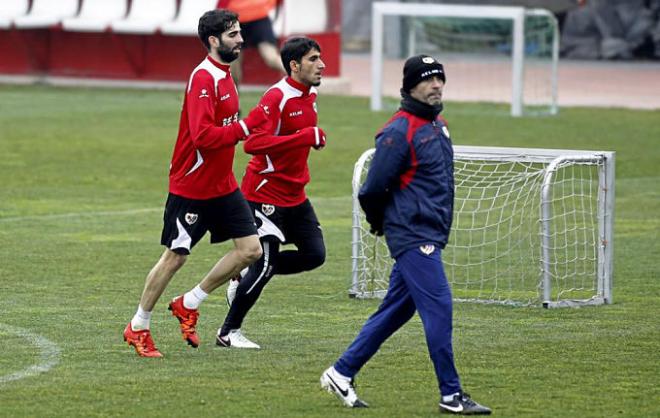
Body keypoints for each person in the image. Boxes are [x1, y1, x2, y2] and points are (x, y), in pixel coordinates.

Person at [319, 55, 492, 415]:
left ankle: (341, 371)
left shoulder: (438, 125)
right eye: (428, 80)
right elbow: (371, 189)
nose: (436, 85)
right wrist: (381, 222)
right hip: (413, 235)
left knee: (397, 310)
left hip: (427, 231)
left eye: (439, 79)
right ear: (410, 86)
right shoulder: (399, 131)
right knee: (440, 309)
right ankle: (451, 393)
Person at [122, 9, 270, 358]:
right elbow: (203, 137)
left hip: (223, 184)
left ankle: (189, 303)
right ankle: (138, 325)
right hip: (192, 186)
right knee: (175, 258)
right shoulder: (204, 78)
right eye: (233, 35)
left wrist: (244, 128)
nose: (241, 39)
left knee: (251, 251)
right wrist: (247, 127)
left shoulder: (226, 75)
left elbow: (225, 128)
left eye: (239, 33)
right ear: (214, 40)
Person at [215, 36, 327, 349]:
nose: (321, 65)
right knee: (263, 265)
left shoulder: (310, 93)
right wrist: (304, 137)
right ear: (294, 65)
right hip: (263, 194)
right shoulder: (277, 96)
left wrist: (308, 139)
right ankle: (228, 332)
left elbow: (295, 138)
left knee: (315, 255)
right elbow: (251, 144)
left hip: (295, 195)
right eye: (313, 59)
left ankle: (241, 278)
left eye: (320, 58)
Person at [217, 0, 286, 85]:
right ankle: (233, 95)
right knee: (233, 62)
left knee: (271, 58)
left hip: (255, 16)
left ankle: (298, 78)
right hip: (241, 17)